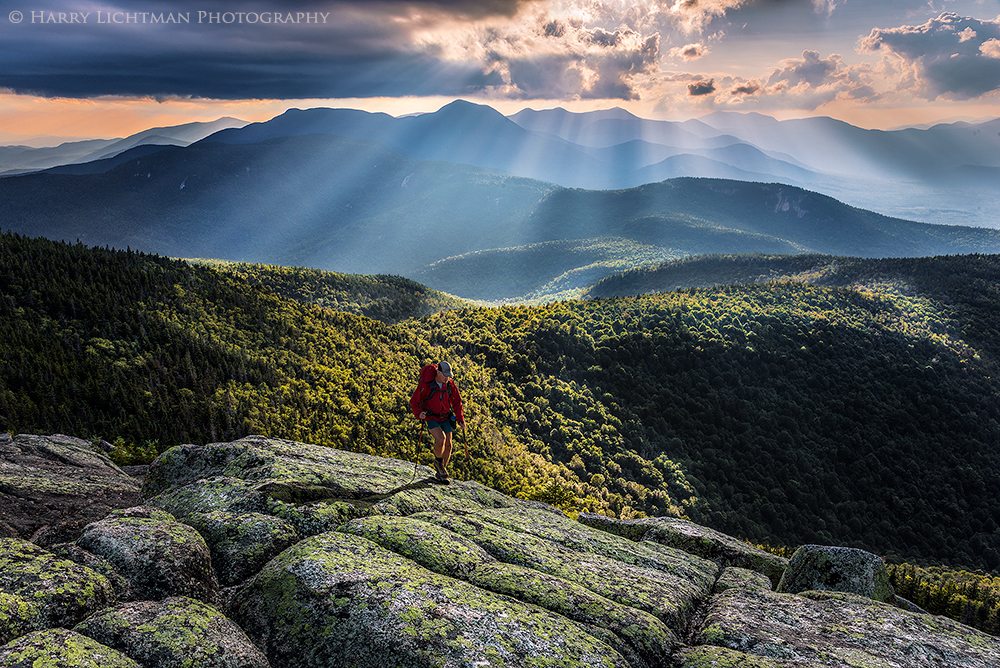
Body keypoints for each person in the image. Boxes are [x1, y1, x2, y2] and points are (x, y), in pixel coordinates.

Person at [410, 361, 465, 483]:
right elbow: (414, 401)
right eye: (445, 375)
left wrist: (460, 418)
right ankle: (438, 462)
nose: (447, 378)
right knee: (441, 439)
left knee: (449, 445)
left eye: (448, 375)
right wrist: (419, 413)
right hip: (431, 417)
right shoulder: (427, 385)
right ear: (438, 372)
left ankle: (441, 471)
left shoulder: (450, 384)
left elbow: (457, 402)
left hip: (445, 416)